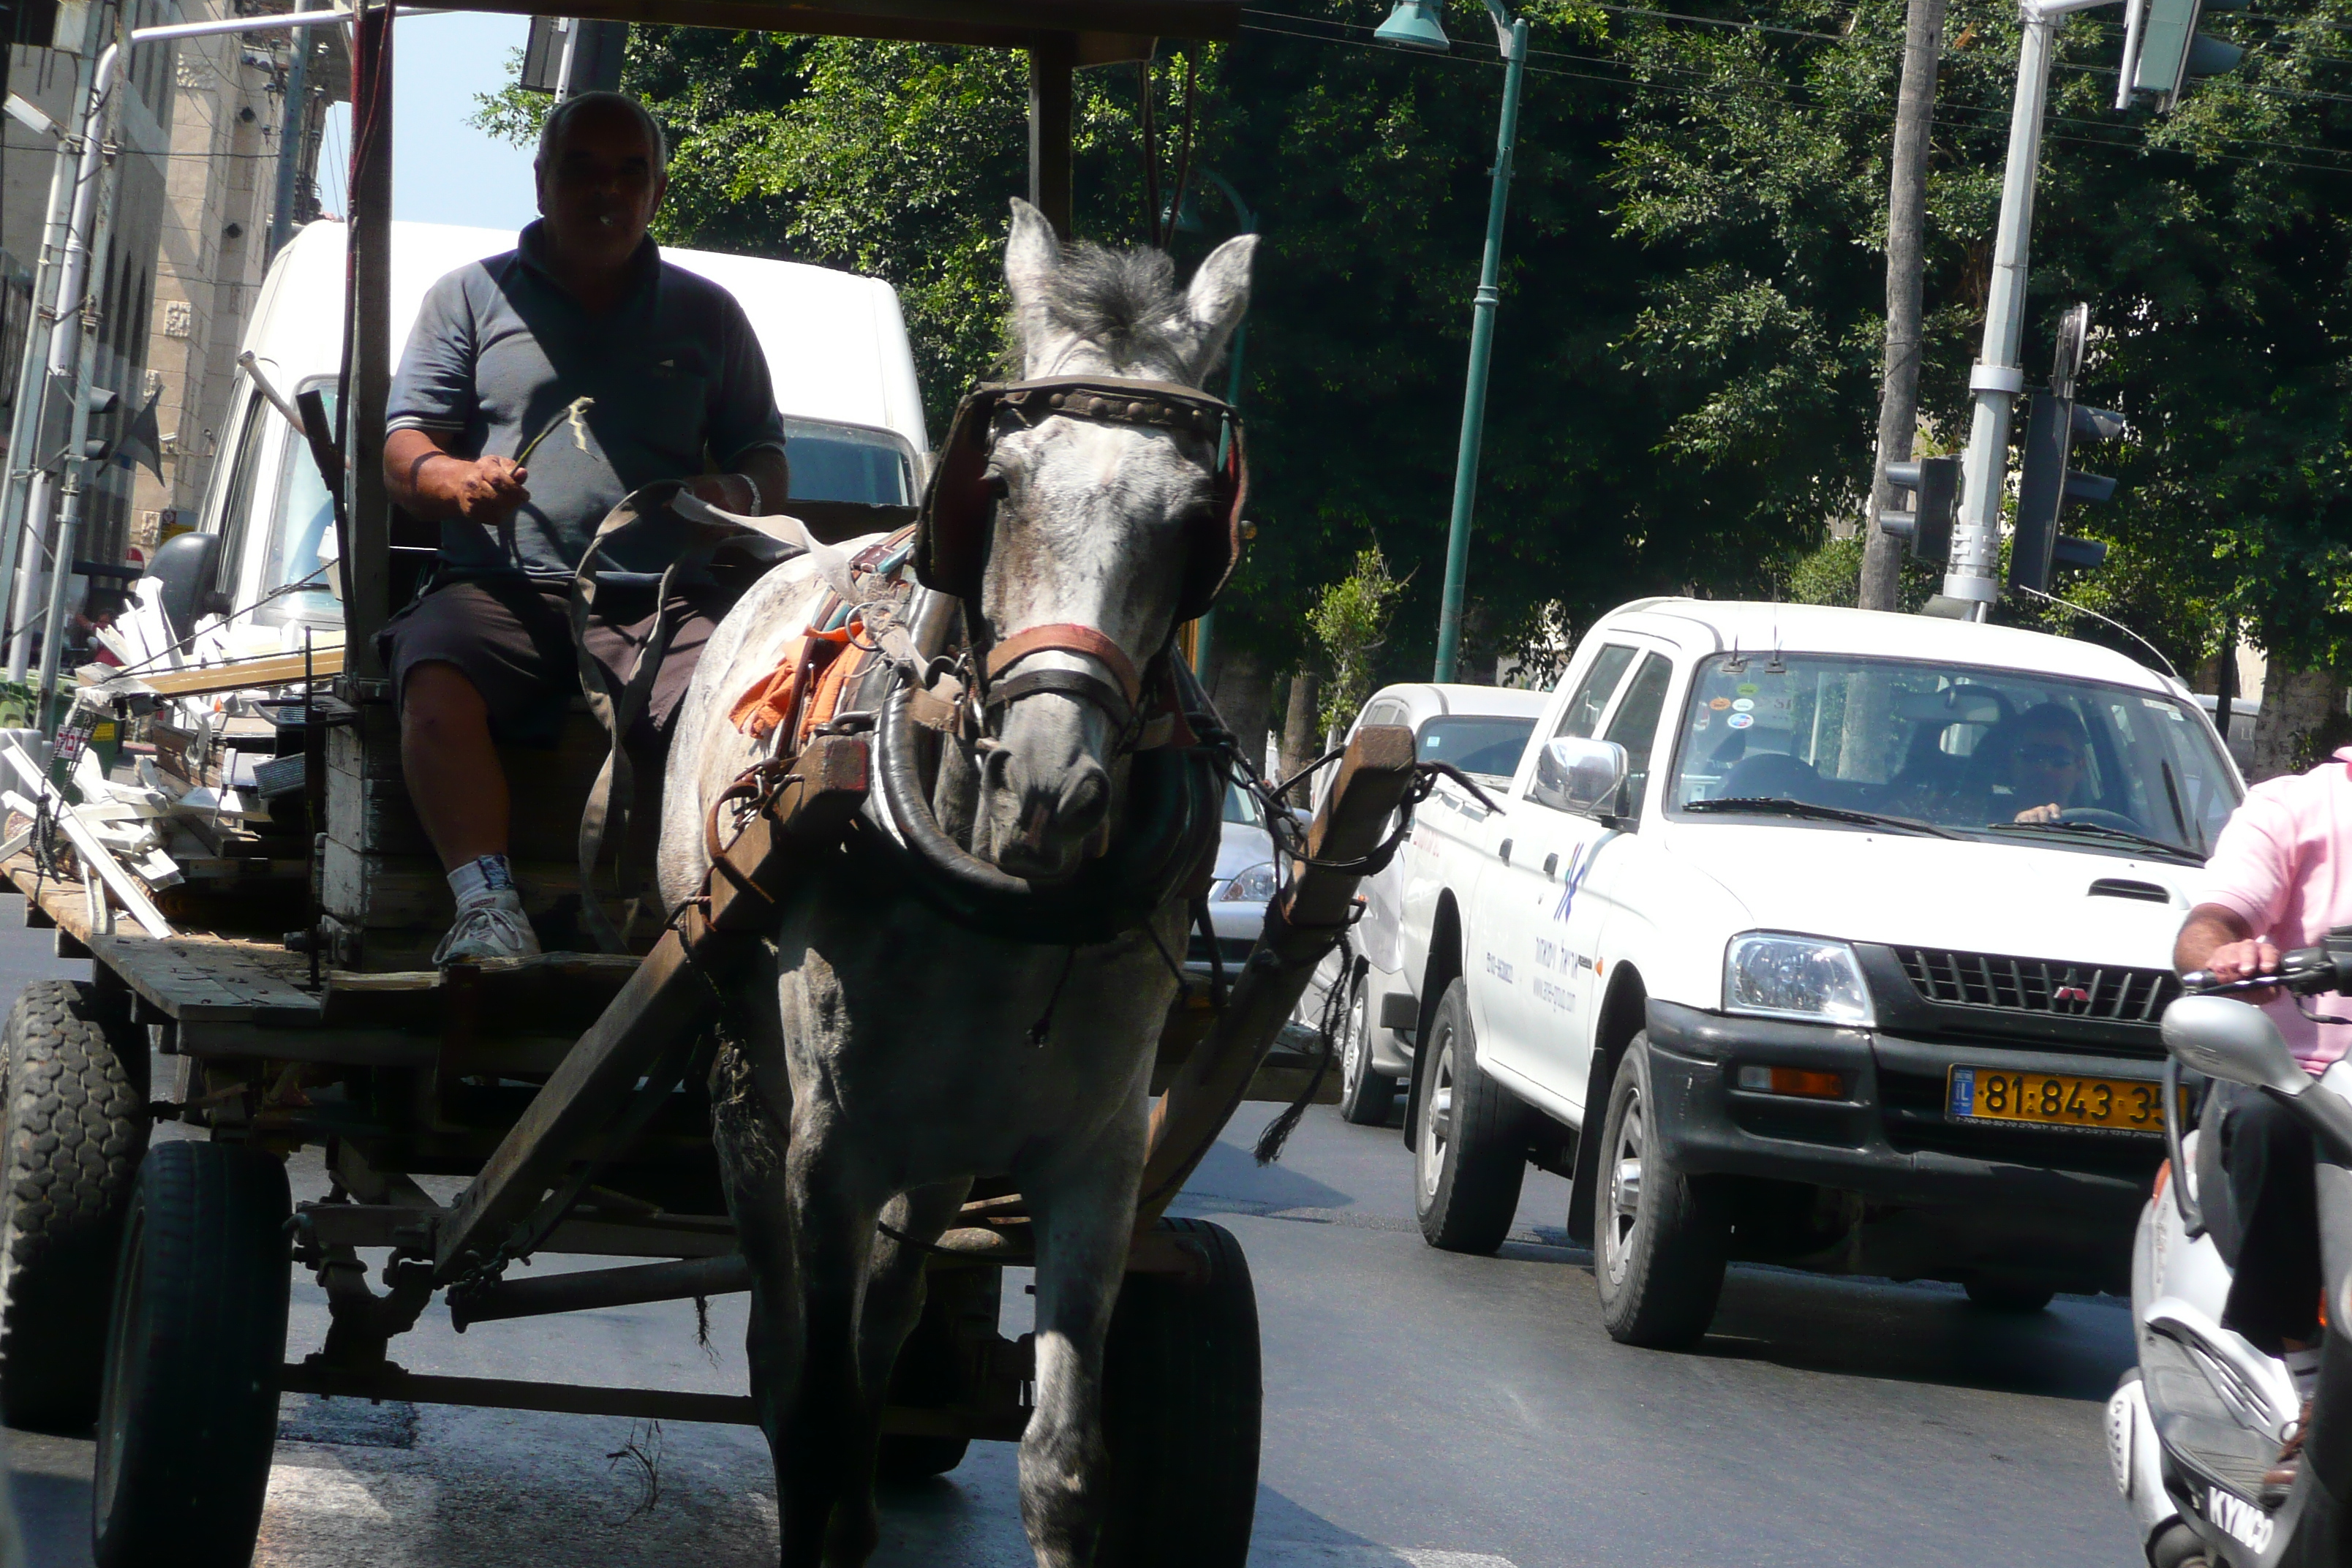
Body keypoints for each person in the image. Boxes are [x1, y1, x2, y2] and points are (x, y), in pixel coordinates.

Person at [379, 91, 790, 963]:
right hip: (501, 593)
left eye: (629, 173)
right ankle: (487, 908)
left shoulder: (708, 314)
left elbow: (766, 458)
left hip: (662, 605)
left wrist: (733, 494)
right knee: (434, 676)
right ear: (541, 182)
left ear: (657, 193)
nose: (606, 192)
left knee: (748, 708)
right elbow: (404, 448)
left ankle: (707, 911)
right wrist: (458, 482)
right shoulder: (469, 299)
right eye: (582, 171)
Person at [2174, 741, 2352, 1489]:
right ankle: (2311, 1386)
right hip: (2297, 1081)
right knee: (2274, 1125)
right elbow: (2209, 923)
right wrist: (2228, 957)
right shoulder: (2295, 808)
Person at [1981, 704, 2091, 825]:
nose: (2044, 768)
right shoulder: (1979, 823)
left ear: (2080, 767)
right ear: (2011, 761)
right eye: (2031, 755)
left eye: (2059, 758)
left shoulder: (2103, 830)